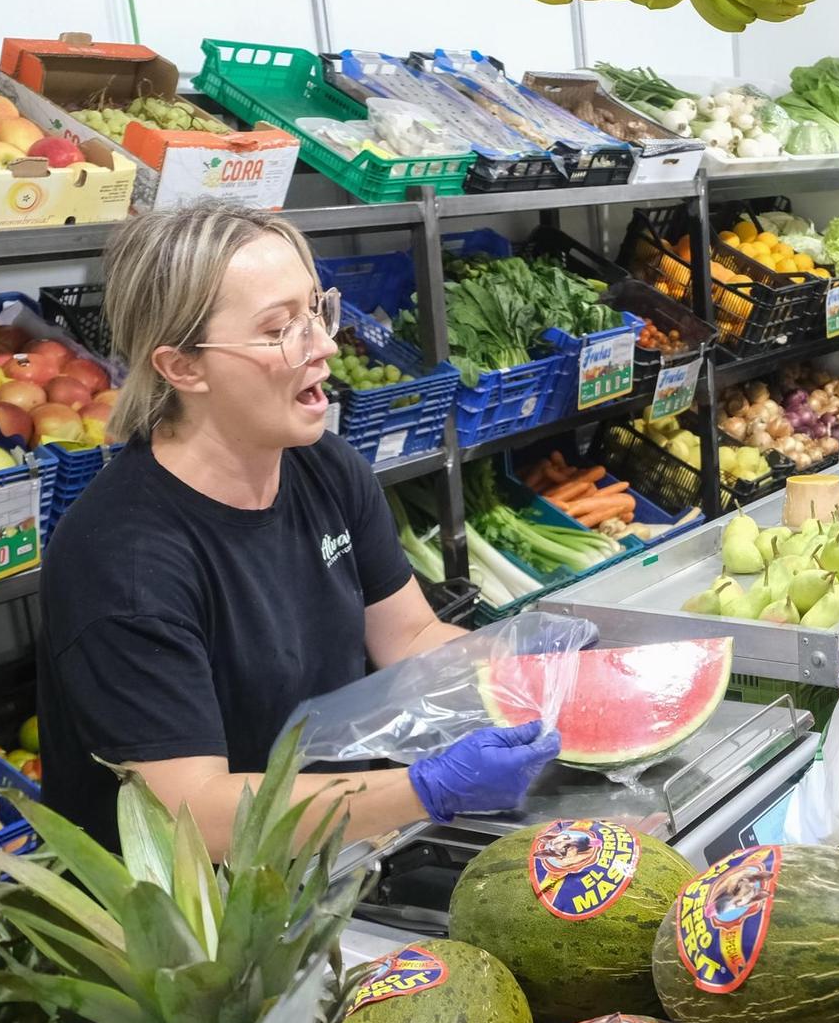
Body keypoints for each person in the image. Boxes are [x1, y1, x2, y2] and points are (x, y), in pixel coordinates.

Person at [37, 203, 559, 858]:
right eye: (282, 328)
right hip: (198, 928)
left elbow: (410, 635)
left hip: (334, 859)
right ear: (182, 367)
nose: (325, 346)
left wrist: (539, 681)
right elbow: (196, 811)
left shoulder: (324, 467)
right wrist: (427, 787)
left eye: (317, 310)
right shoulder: (125, 561)